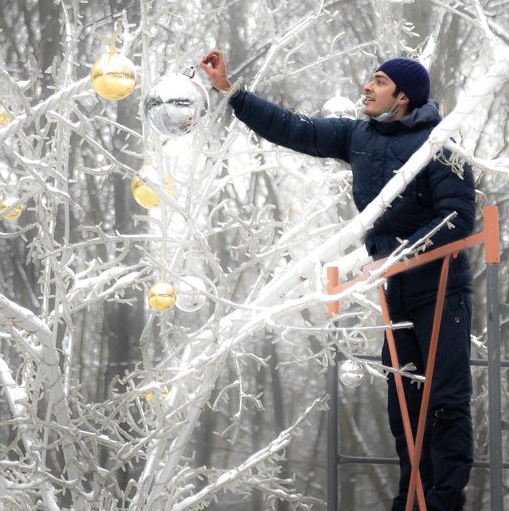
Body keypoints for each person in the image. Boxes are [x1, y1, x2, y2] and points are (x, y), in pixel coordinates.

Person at [199, 49, 476, 510]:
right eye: (370, 79)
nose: (367, 87)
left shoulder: (441, 144)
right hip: (395, 292)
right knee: (403, 405)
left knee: (444, 400)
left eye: (380, 82)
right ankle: (411, 500)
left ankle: (444, 502)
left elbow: (458, 217)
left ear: (403, 97)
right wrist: (231, 92)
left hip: (441, 286)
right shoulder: (358, 136)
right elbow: (296, 129)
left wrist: (398, 258)